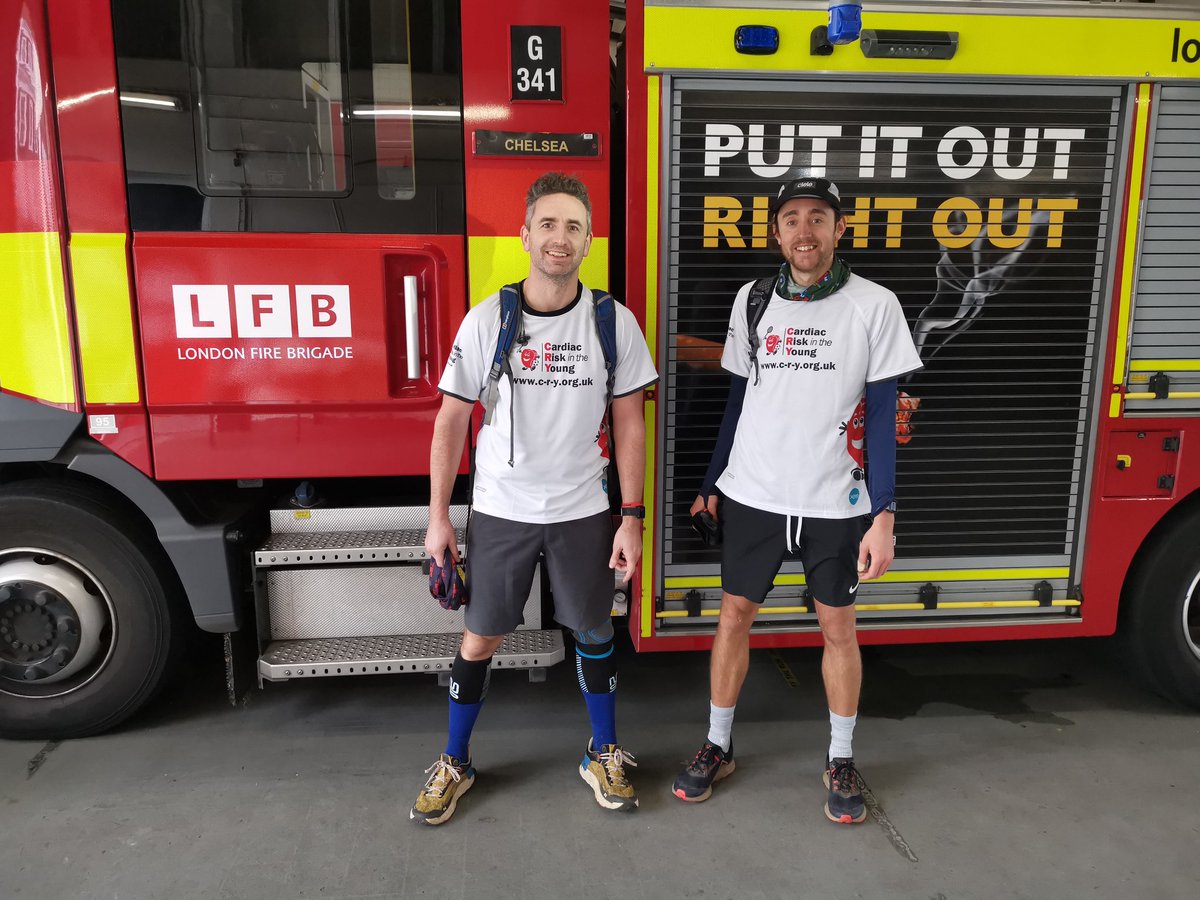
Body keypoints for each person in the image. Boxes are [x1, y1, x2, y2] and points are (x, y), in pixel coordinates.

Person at [671, 177, 922, 824]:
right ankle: (718, 745)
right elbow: (737, 401)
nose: (804, 231)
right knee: (733, 616)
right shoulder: (753, 299)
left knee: (838, 628)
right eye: (791, 219)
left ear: (840, 229)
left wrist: (884, 513)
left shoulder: (875, 305)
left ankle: (841, 757)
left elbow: (885, 414)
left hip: (835, 502)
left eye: (817, 217)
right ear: (776, 232)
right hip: (753, 494)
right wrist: (710, 483)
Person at [412, 172, 658, 825]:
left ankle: (602, 752)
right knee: (480, 637)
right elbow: (451, 421)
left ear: (588, 241)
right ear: (525, 235)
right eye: (548, 224)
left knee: (595, 629)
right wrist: (438, 518)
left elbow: (630, 423)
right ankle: (455, 761)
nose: (560, 238)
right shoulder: (487, 319)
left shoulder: (613, 322)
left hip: (583, 510)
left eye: (574, 227)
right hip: (502, 510)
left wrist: (631, 517)